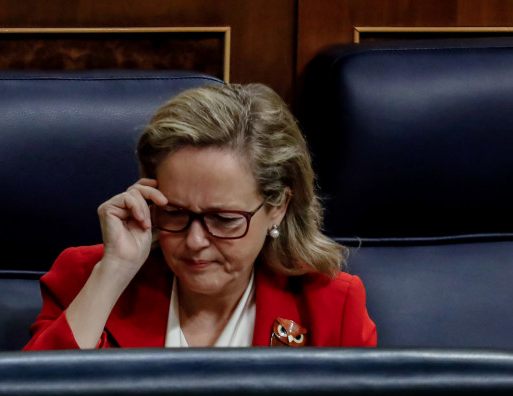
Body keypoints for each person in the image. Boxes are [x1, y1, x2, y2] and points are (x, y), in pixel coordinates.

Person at [23, 82, 376, 350]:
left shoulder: (330, 304)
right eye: (174, 212)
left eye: (223, 219)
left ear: (277, 207)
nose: (194, 241)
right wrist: (115, 272)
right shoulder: (88, 278)